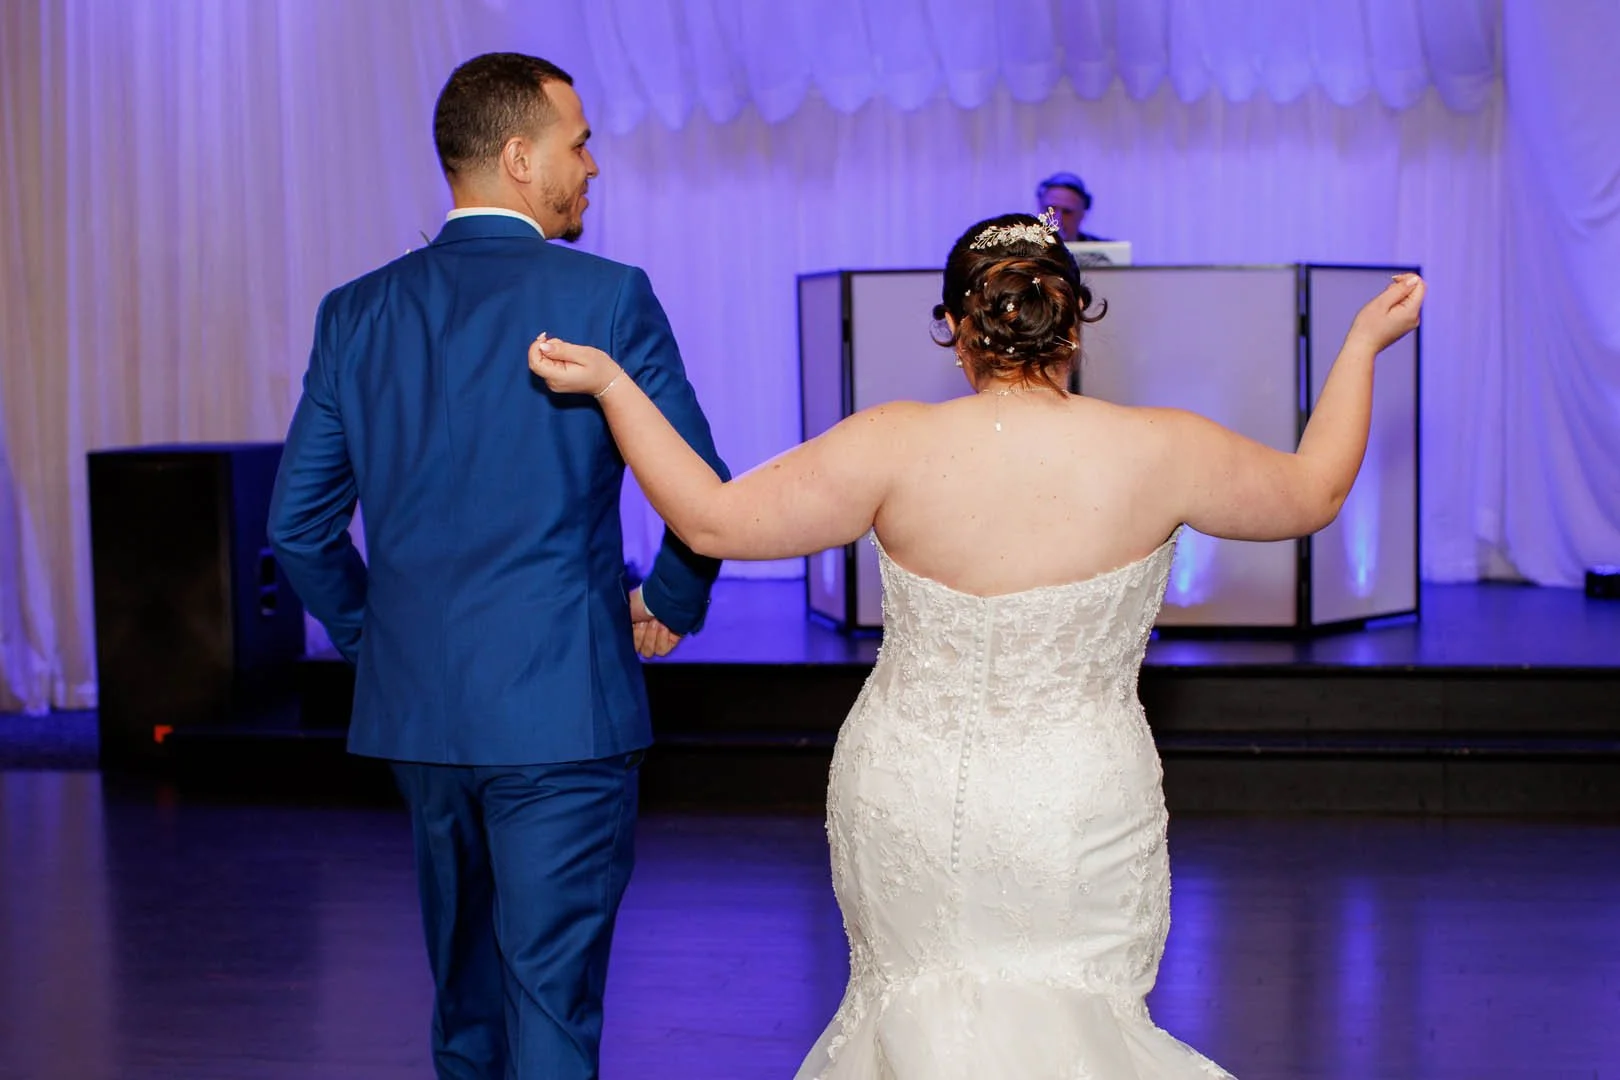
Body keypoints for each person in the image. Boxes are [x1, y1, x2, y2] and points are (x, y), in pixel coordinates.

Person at [528, 212, 1422, 1077]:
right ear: (1072, 323)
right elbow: (1314, 492)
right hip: (1078, 801)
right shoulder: (1163, 447)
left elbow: (710, 520)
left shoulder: (894, 443)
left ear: (959, 331)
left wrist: (613, 387)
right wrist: (1360, 345)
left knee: (915, 1017)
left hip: (909, 790)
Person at [267, 52, 728, 1080]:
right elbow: (702, 488)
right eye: (580, 144)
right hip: (563, 710)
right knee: (549, 1002)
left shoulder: (357, 310)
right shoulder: (608, 297)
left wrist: (376, 637)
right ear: (520, 158)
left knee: (466, 1003)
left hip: (422, 716)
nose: (593, 166)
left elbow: (298, 527)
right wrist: (671, 599)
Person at [1037, 171, 1105, 243]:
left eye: (1067, 212)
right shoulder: (1028, 247)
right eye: (1050, 210)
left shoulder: (1105, 248)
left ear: (1081, 215)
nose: (1057, 219)